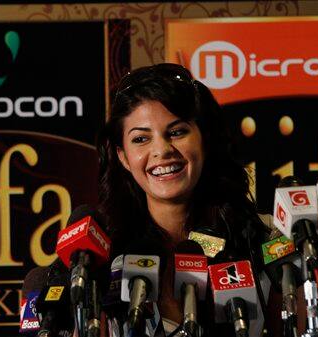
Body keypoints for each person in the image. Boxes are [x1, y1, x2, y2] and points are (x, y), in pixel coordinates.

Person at [97, 63, 272, 336]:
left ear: (205, 139)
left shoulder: (267, 240)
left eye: (177, 132)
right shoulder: (103, 258)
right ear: (123, 157)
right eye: (141, 138)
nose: (162, 150)